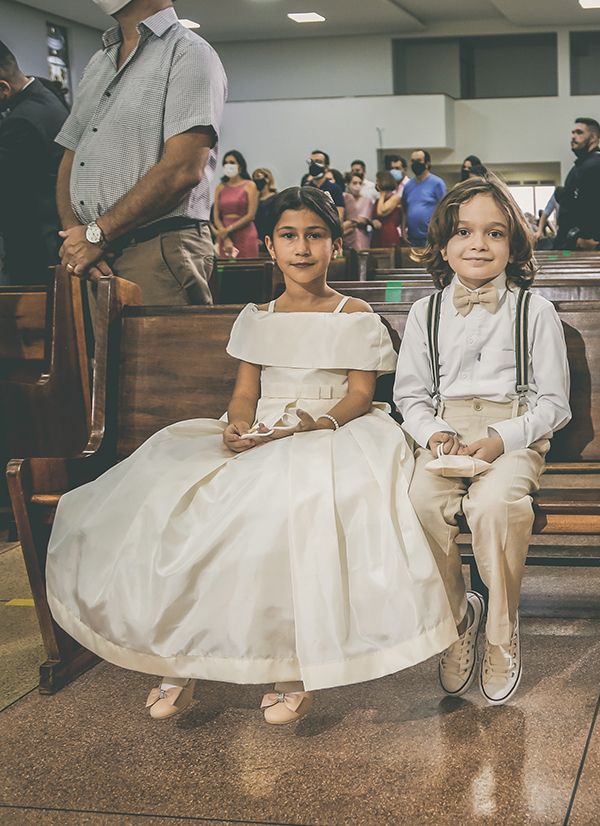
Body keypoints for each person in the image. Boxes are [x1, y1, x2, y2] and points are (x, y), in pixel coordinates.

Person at [44, 186, 458, 723]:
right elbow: (244, 394)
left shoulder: (353, 313)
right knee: (185, 507)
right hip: (265, 429)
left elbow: (360, 394)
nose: (302, 248)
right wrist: (237, 425)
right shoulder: (258, 316)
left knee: (287, 509)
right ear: (269, 246)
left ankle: (291, 665)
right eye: (289, 236)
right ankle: (179, 657)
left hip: (332, 430)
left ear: (335, 245)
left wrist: (319, 424)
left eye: (315, 236)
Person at [394, 174, 571, 705]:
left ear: (513, 245)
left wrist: (501, 437)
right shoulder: (425, 313)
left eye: (494, 233)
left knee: (496, 508)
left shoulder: (534, 311)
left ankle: (501, 627)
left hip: (512, 434)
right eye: (463, 232)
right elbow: (410, 396)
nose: (478, 244)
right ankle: (456, 619)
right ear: (443, 244)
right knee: (418, 506)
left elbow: (553, 404)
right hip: (445, 435)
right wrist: (434, 432)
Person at [55, 0, 227, 306]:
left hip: (156, 247)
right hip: (93, 256)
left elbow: (183, 169)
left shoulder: (189, 52)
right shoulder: (100, 60)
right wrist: (76, 237)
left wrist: (97, 234)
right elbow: (72, 155)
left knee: (164, 341)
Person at [0, 39, 70, 285]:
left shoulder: (22, 122)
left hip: (36, 244)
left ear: (3, 88)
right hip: (51, 235)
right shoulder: (45, 98)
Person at [554, 118, 600, 251]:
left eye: (579, 132)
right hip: (570, 245)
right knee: (551, 257)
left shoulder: (596, 165)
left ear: (593, 137)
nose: (573, 137)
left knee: (554, 259)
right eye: (573, 133)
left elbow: (597, 208)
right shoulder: (581, 165)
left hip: (586, 246)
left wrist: (578, 239)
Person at [211, 150, 259, 259]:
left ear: (240, 165)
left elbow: (251, 215)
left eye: (232, 162)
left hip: (244, 232)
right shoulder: (220, 187)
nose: (228, 165)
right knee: (227, 266)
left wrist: (228, 229)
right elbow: (216, 216)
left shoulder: (250, 185)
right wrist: (224, 235)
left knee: (247, 266)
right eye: (226, 163)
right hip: (225, 236)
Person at [400, 149, 446, 248]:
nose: (415, 164)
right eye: (413, 161)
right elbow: (404, 210)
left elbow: (444, 208)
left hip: (431, 236)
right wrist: (403, 231)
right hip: (412, 237)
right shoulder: (408, 186)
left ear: (427, 163)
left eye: (419, 160)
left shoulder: (437, 183)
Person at [304, 149, 344, 221]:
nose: (314, 165)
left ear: (326, 167)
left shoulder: (335, 188)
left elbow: (339, 216)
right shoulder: (305, 188)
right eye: (311, 162)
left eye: (318, 162)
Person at [342, 171, 374, 251]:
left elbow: (364, 220)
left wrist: (350, 221)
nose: (358, 186)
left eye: (360, 183)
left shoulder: (366, 200)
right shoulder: (344, 199)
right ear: (347, 184)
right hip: (347, 237)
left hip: (362, 237)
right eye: (354, 183)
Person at [250, 167, 277, 251]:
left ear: (267, 179)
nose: (255, 180)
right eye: (254, 178)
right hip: (254, 238)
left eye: (258, 176)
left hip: (270, 238)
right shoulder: (254, 199)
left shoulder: (276, 198)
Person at [373, 172, 402, 248]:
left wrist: (382, 194)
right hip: (377, 235)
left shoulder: (395, 198)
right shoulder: (378, 201)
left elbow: (381, 211)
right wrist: (374, 221)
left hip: (389, 234)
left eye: (377, 181)